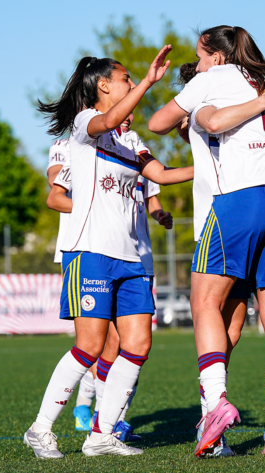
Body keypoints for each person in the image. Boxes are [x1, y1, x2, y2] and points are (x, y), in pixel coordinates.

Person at [24, 47, 197, 459]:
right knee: (90, 345)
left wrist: (223, 165)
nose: (133, 85)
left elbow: (162, 175)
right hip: (91, 252)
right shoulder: (86, 125)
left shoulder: (132, 140)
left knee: (137, 344)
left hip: (132, 257)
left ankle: (101, 433)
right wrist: (151, 83)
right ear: (104, 86)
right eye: (127, 80)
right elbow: (109, 119)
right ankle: (40, 429)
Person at [150, 25, 265, 457]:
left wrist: (166, 92)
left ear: (216, 57)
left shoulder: (215, 80)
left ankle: (215, 406)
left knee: (204, 305)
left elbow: (158, 122)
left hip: (239, 203)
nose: (196, 67)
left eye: (199, 57)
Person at [48, 113, 173, 440]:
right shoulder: (73, 145)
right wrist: (94, 210)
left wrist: (160, 213)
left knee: (130, 345)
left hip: (134, 256)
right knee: (97, 343)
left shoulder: (136, 150)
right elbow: (55, 190)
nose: (130, 115)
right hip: (90, 250)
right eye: (123, 105)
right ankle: (78, 411)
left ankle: (107, 420)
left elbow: (153, 192)